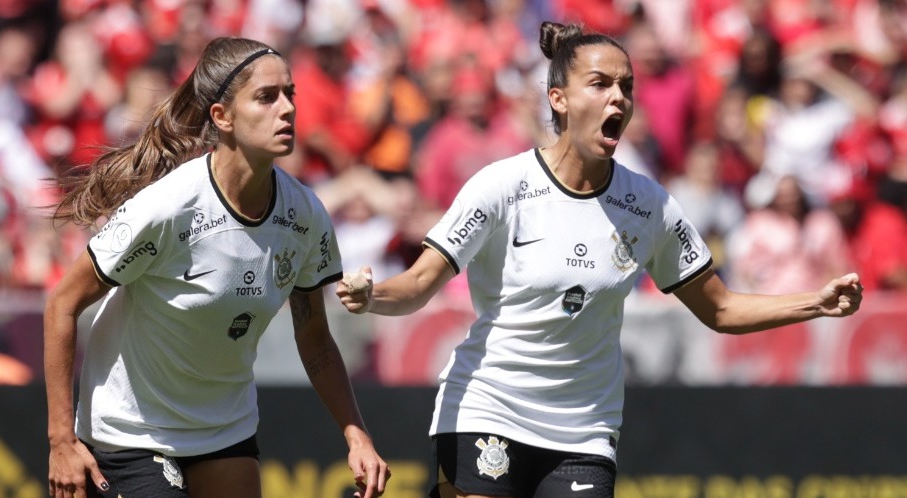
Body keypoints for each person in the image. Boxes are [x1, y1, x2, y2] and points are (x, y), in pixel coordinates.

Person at [337, 21, 863, 498]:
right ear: (559, 99)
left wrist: (814, 303)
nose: (619, 98)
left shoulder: (649, 205)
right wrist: (370, 295)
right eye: (601, 84)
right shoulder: (502, 186)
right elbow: (421, 282)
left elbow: (719, 309)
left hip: (585, 428)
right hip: (489, 406)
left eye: (626, 87)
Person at [43, 37, 390, 498]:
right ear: (222, 118)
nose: (287, 109)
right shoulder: (168, 208)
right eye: (267, 97)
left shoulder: (305, 215)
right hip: (131, 433)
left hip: (226, 431)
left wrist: (355, 432)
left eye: (291, 94)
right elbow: (61, 303)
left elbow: (314, 336)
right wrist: (61, 440)